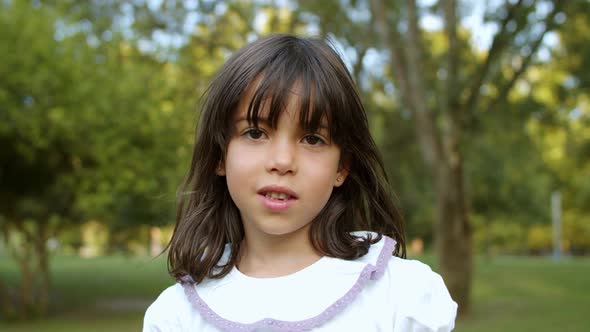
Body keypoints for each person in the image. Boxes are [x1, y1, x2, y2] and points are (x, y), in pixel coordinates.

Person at [143, 34, 457, 332]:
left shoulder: (403, 295)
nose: (282, 161)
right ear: (220, 155)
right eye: (255, 132)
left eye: (312, 139)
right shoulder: (175, 316)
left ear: (342, 167)